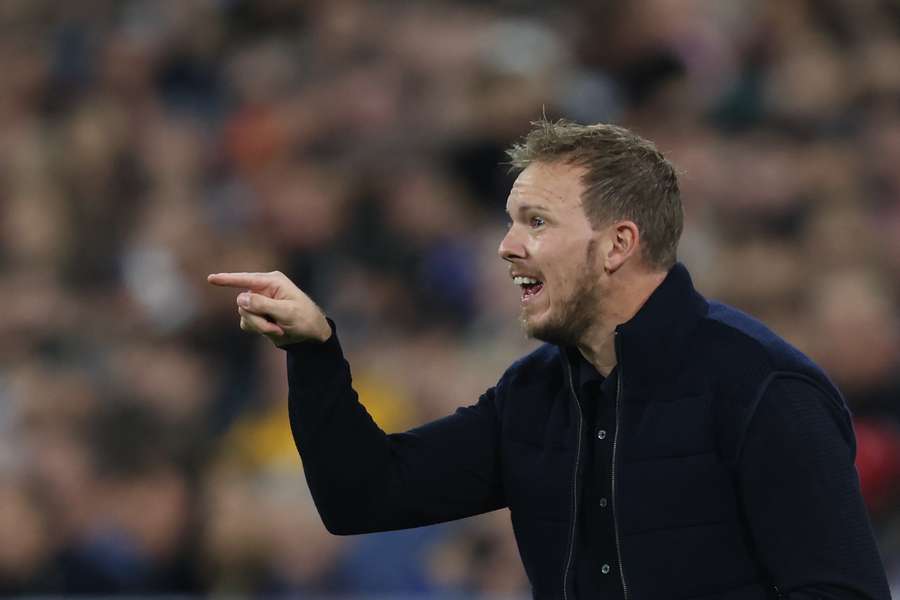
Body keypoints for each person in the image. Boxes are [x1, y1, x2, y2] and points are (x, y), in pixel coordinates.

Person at [208, 119, 891, 600]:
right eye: (510, 219)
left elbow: (841, 592)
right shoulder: (532, 395)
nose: (506, 245)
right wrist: (314, 350)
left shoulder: (763, 387)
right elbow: (364, 495)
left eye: (536, 221)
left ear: (617, 244)